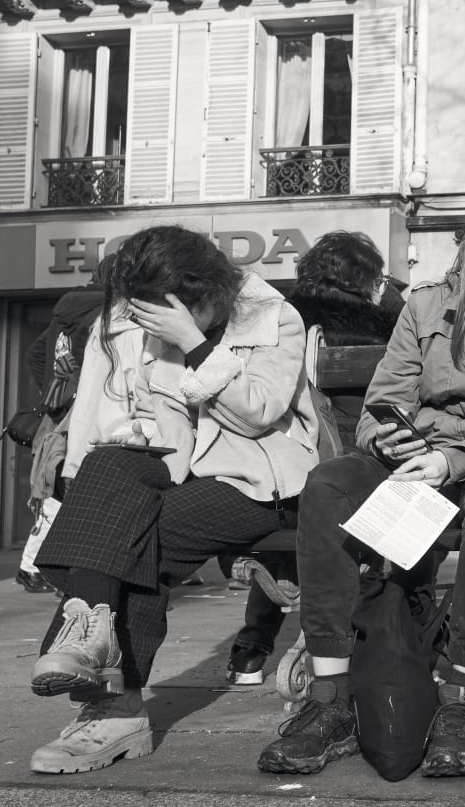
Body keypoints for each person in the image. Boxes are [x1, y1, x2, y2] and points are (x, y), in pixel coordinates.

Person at [257, 180, 465, 779]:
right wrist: (388, 437)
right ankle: (328, 702)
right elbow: (382, 404)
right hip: (416, 456)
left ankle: (460, 700)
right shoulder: (428, 306)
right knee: (328, 484)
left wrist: (455, 460)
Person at [25, 226, 323, 774]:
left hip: (258, 479)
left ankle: (114, 706)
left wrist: (194, 342)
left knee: (141, 539)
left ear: (208, 292)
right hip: (178, 468)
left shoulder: (272, 316)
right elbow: (135, 409)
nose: (154, 323)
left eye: (170, 312)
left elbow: (258, 414)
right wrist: (132, 433)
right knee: (107, 464)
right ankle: (88, 634)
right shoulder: (141, 321)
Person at [225, 231, 405, 686]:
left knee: (297, 527)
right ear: (367, 279)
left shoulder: (284, 316)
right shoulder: (389, 324)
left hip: (301, 457)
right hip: (372, 459)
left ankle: (252, 648)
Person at [16, 263, 111, 594]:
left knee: (58, 488)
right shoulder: (107, 312)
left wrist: (53, 391)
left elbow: (35, 354)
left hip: (59, 415)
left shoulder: (66, 311)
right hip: (85, 414)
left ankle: (36, 567)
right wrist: (79, 391)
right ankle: (50, 568)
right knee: (76, 490)